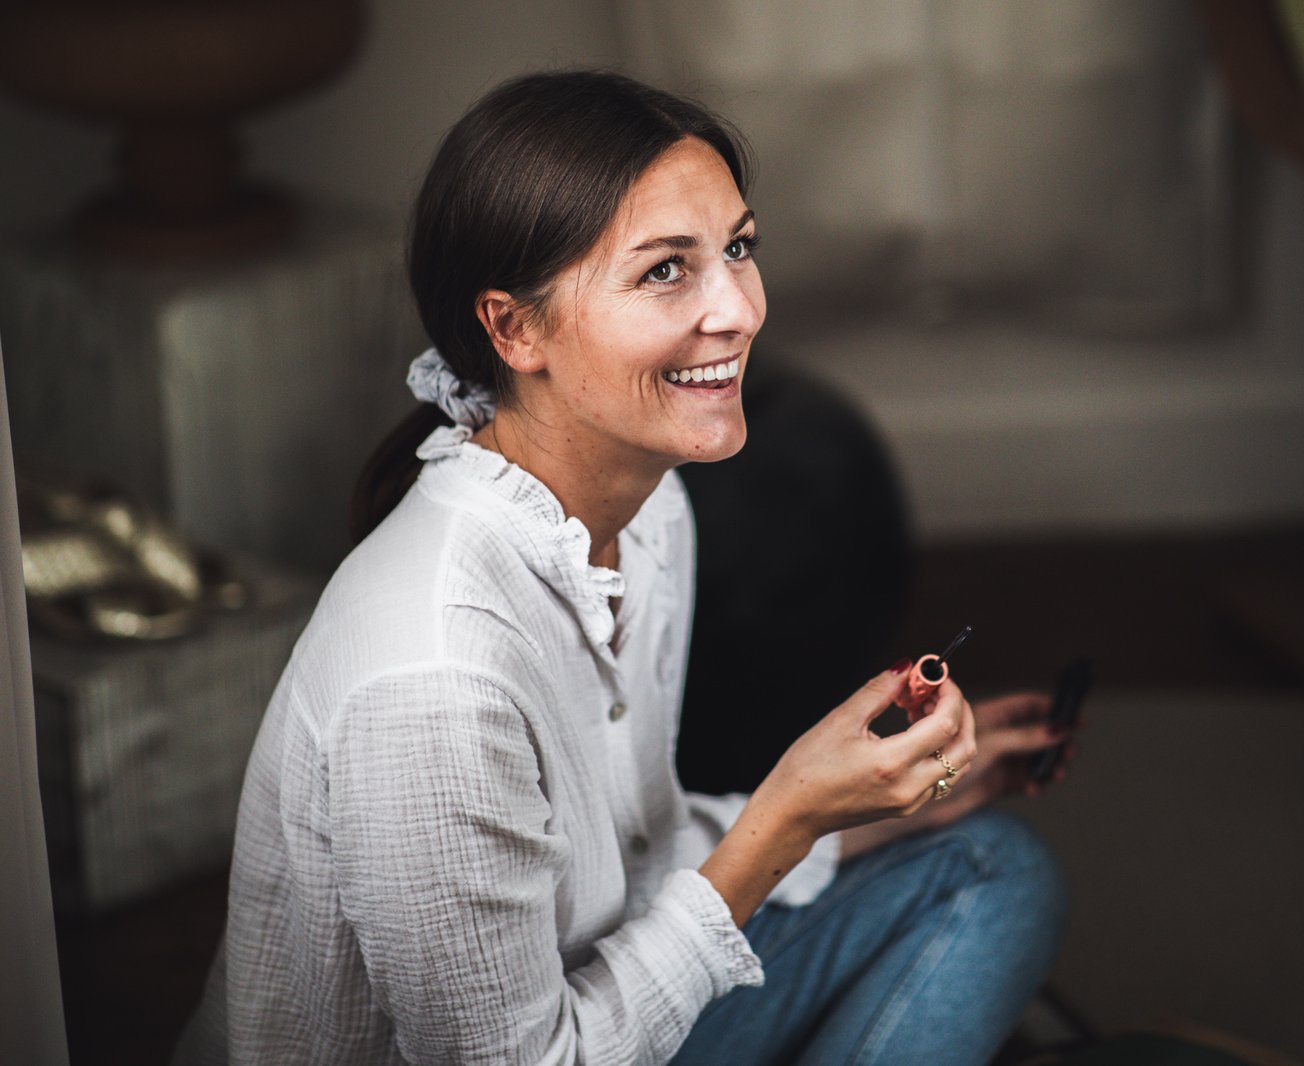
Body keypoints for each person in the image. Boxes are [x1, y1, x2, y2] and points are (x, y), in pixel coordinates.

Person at [175, 70, 1071, 1066]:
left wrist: (860, 803)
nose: (739, 310)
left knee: (994, 865)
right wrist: (784, 817)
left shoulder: (650, 512)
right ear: (514, 328)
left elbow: (636, 863)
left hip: (611, 1006)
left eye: (738, 248)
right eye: (665, 271)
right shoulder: (435, 682)